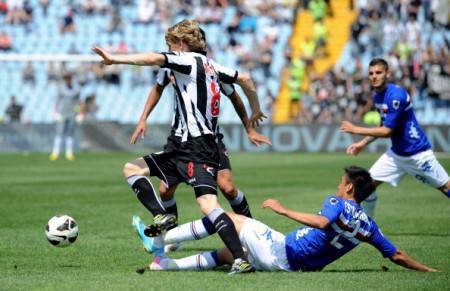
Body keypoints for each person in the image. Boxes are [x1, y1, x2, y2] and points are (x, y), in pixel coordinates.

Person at [93, 19, 267, 274]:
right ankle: (164, 219)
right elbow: (248, 79)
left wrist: (114, 59)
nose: (169, 49)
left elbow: (152, 58)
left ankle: (240, 256)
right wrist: (257, 109)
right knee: (133, 168)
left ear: (183, 44)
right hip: (181, 145)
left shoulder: (186, 60)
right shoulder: (213, 66)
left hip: (198, 146)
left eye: (172, 45)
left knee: (210, 204)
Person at [134, 166, 437, 273]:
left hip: (283, 251)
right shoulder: (369, 225)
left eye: (341, 181)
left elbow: (321, 223)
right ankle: (165, 266)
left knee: (225, 216)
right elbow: (395, 254)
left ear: (349, 188)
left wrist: (283, 210)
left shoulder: (337, 204)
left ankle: (160, 239)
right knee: (230, 252)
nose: (337, 185)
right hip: (296, 264)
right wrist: (428, 269)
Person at [130, 68, 271, 252]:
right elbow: (157, 88)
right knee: (165, 190)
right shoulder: (169, 66)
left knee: (228, 188)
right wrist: (143, 118)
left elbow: (234, 96)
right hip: (180, 142)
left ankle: (253, 232)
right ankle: (172, 235)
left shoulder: (210, 69)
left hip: (209, 141)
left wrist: (249, 128)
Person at [341, 58, 449, 217]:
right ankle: (368, 225)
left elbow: (387, 131)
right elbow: (382, 125)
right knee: (365, 187)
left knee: (446, 188)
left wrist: (356, 129)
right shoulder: (377, 96)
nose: (374, 76)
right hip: (396, 155)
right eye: (371, 73)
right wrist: (362, 144)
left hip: (417, 154)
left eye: (378, 72)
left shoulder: (396, 95)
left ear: (387, 74)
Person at [49, 73, 81, 161]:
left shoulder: (76, 89)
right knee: (59, 132)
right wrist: (56, 112)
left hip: (72, 113)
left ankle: (69, 153)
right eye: (66, 79)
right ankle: (55, 153)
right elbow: (58, 100)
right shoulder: (61, 88)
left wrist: (79, 113)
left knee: (70, 133)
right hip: (62, 113)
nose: (68, 81)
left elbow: (79, 102)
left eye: (69, 79)